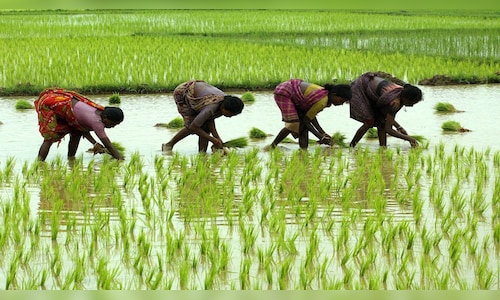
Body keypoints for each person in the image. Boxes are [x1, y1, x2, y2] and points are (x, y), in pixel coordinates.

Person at [34, 88, 124, 161]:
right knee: (49, 138)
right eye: (113, 124)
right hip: (50, 104)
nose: (113, 127)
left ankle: (71, 160)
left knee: (76, 133)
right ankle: (39, 164)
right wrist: (120, 159)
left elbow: (82, 129)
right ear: (105, 118)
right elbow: (108, 145)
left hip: (69, 110)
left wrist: (95, 143)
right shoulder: (97, 122)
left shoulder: (101, 111)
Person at [162, 80, 244, 153]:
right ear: (223, 107)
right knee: (191, 125)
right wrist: (213, 140)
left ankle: (202, 154)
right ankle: (169, 145)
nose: (230, 117)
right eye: (230, 114)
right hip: (183, 92)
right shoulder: (211, 107)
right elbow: (193, 127)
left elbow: (209, 119)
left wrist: (217, 139)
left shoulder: (225, 102)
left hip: (200, 94)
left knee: (205, 127)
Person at [269, 79, 352, 149]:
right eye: (341, 100)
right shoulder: (322, 101)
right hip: (285, 91)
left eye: (344, 102)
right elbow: (307, 120)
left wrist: (322, 133)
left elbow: (310, 116)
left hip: (294, 93)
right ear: (334, 95)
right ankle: (272, 146)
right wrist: (319, 136)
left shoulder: (325, 96)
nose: (341, 104)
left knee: (303, 126)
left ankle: (303, 152)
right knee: (293, 124)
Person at [348, 72, 423, 148]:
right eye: (412, 102)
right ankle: (351, 146)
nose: (412, 105)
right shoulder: (394, 103)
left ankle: (383, 149)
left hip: (372, 89)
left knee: (381, 123)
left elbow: (387, 117)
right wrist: (410, 139)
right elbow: (389, 130)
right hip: (361, 87)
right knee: (369, 122)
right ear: (405, 98)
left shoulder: (400, 92)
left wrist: (398, 127)